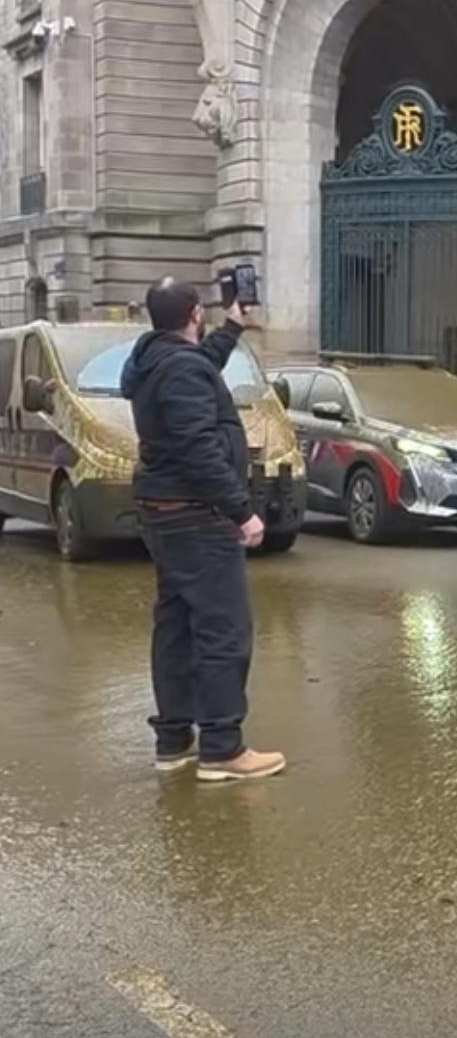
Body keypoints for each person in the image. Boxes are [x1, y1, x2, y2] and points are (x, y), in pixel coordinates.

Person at [121, 278, 285, 783]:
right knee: (222, 630)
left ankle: (174, 741)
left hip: (167, 513)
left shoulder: (156, 360)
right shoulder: (181, 368)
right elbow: (198, 449)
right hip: (196, 516)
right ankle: (222, 748)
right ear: (194, 314)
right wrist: (241, 511)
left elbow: (198, 365)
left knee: (176, 628)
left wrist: (232, 327)